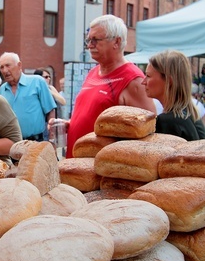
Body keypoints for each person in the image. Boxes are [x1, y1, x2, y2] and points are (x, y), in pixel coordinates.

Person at [52, 15, 155, 158]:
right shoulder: (94, 72)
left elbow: (148, 132)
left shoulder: (133, 79)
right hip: (76, 165)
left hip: (101, 169)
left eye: (95, 40)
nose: (89, 45)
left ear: (116, 42)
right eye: (88, 40)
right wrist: (70, 124)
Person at [142, 50, 205, 141]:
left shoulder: (167, 121)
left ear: (169, 81)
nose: (143, 82)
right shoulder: (191, 115)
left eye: (148, 76)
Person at [0, 52, 56, 141]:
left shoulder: (37, 82)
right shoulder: (2, 90)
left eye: (8, 65)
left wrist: (52, 137)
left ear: (19, 65)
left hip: (36, 142)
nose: (5, 70)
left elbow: (50, 110)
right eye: (1, 67)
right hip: (11, 144)